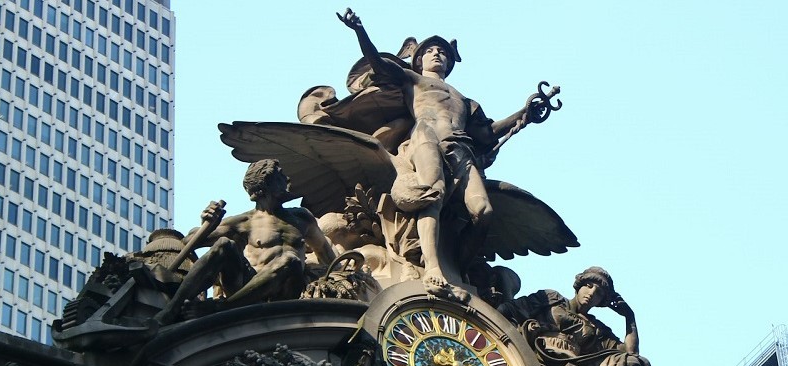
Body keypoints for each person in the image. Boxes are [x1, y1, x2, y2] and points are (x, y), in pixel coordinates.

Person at [338, 8, 533, 292]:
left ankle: (461, 270)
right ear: (419, 59)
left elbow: (488, 133)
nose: (437, 54)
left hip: (460, 147)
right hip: (425, 137)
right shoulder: (413, 80)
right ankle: (432, 267)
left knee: (484, 211)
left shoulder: (466, 101)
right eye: (430, 50)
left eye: (442, 51)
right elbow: (379, 64)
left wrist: (524, 113)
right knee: (433, 194)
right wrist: (359, 31)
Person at [155, 160, 336, 323]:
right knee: (224, 245)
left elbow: (327, 256)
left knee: (290, 259)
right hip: (247, 291)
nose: (288, 179)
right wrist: (209, 223)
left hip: (286, 292)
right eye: (281, 176)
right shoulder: (243, 222)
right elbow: (189, 241)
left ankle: (219, 308)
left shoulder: (302, 218)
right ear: (263, 187)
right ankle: (170, 311)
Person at [499, 267, 667, 366]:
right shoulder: (552, 298)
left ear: (601, 302)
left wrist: (630, 318)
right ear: (579, 285)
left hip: (578, 364)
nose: (592, 293)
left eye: (599, 293)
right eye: (589, 286)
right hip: (543, 353)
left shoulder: (596, 328)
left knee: (636, 363)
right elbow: (511, 309)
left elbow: (631, 353)